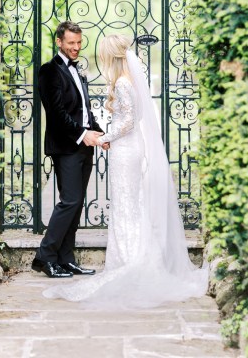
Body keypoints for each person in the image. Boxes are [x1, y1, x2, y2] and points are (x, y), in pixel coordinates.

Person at [43, 34, 208, 307]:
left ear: (112, 55)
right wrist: (100, 134)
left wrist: (105, 136)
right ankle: (118, 255)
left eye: (103, 54)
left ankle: (128, 259)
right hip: (126, 148)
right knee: (129, 203)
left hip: (124, 149)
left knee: (125, 204)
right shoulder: (127, 80)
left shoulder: (122, 82)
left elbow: (129, 121)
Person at [32, 21, 109, 279]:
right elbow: (56, 114)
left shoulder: (78, 71)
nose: (76, 47)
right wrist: (82, 134)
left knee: (76, 205)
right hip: (66, 146)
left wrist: (99, 132)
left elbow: (84, 112)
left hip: (84, 145)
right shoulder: (49, 71)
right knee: (70, 202)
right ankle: (45, 257)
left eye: (79, 43)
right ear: (59, 42)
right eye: (71, 43)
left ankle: (66, 259)